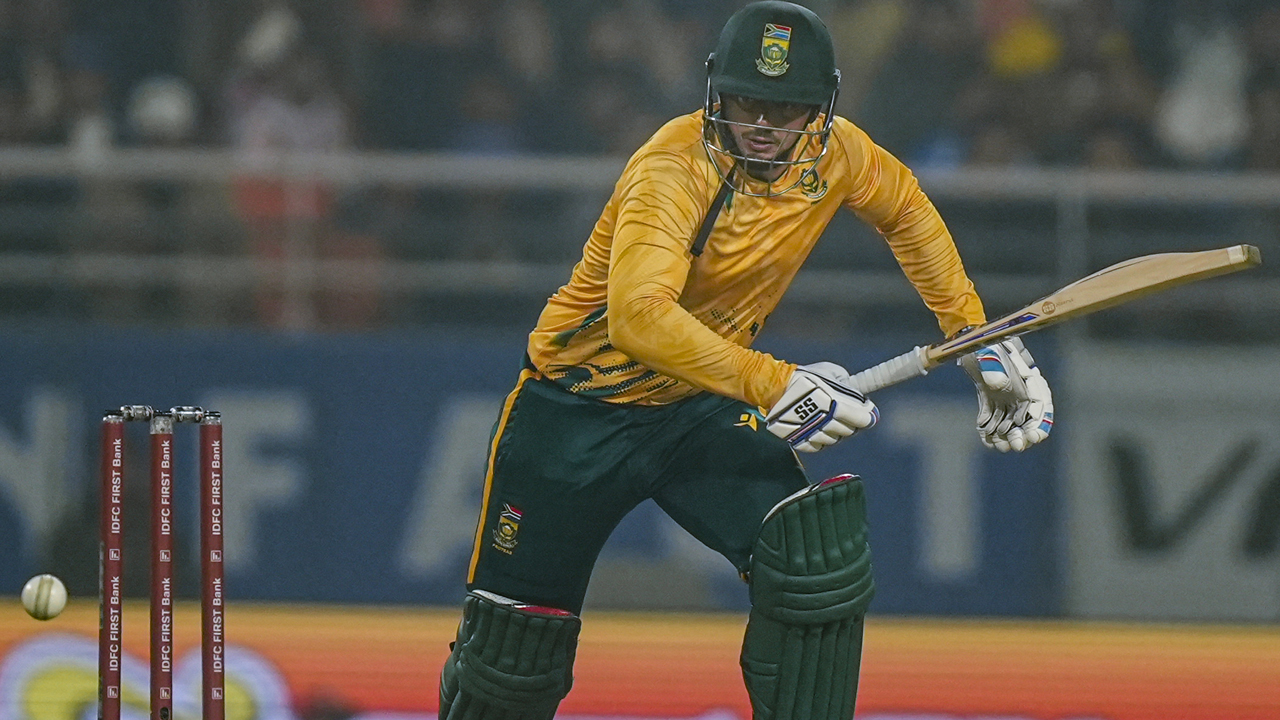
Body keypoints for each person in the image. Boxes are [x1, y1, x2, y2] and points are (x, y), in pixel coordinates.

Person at [437, 3, 1053, 720]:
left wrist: (972, 334)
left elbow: (907, 210)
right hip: (572, 414)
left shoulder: (840, 153)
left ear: (821, 108)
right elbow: (638, 318)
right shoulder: (672, 168)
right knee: (510, 657)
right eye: (745, 102)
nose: (762, 124)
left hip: (694, 405)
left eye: (785, 109)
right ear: (714, 93)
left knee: (812, 557)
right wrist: (774, 382)